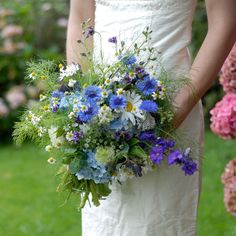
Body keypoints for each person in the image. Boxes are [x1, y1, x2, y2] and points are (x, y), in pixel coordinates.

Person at [66, 1, 236, 235]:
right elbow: (80, 17)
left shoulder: (171, 115)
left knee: (157, 224)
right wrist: (81, 104)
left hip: (171, 110)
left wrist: (171, 116)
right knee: (105, 223)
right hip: (99, 117)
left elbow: (225, 22)